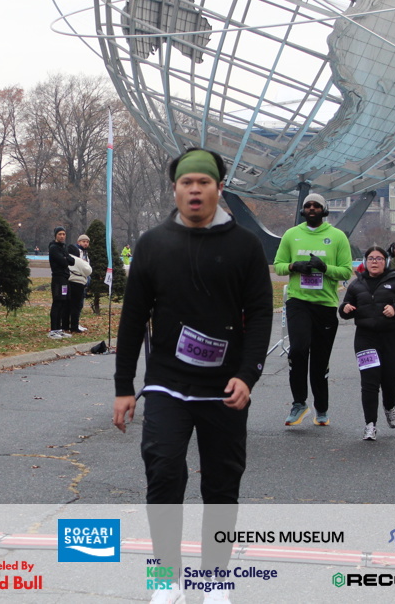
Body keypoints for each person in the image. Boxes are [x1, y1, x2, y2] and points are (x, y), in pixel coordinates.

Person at [112, 148, 273, 603]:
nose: (195, 190)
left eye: (204, 182)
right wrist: (124, 387)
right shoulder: (153, 244)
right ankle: (166, 581)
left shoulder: (244, 246)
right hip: (167, 383)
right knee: (163, 474)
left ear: (219, 189)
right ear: (175, 189)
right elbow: (133, 317)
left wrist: (248, 375)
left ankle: (214, 581)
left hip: (224, 388)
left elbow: (261, 314)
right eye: (187, 182)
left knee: (221, 486)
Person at [273, 192, 353, 427]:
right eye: (307, 205)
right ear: (302, 210)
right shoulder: (291, 234)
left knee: (319, 360)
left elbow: (346, 271)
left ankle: (322, 407)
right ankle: (299, 403)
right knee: (298, 350)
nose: (311, 208)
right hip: (298, 301)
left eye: (316, 206)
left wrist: (325, 268)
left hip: (325, 304)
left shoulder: (337, 236)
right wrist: (294, 266)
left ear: (324, 210)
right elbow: (278, 266)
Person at [339, 246, 395, 441]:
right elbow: (344, 309)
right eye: (371, 258)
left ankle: (389, 406)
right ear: (365, 262)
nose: (374, 262)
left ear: (386, 261)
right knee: (369, 382)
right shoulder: (357, 284)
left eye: (379, 258)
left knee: (391, 381)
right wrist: (345, 309)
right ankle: (370, 425)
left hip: (393, 338)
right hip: (366, 338)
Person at [48, 226, 74, 339]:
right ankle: (53, 330)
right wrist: (65, 259)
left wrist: (66, 258)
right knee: (57, 303)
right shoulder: (53, 248)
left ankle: (59, 329)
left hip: (65, 278)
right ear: (55, 235)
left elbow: (72, 261)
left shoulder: (64, 247)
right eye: (60, 234)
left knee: (63, 302)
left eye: (63, 234)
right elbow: (63, 262)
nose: (62, 236)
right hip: (58, 278)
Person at [66, 234, 92, 334]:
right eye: (83, 241)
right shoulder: (76, 253)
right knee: (76, 304)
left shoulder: (86, 253)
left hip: (83, 280)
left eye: (87, 242)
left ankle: (74, 323)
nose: (85, 243)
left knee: (79, 304)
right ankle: (73, 324)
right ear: (78, 242)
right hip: (76, 280)